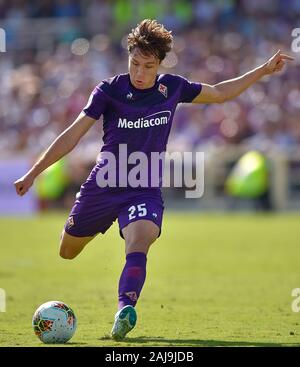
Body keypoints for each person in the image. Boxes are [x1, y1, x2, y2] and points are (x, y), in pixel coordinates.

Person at [14, 19, 293, 341]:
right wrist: (33, 173)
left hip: (143, 188)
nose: (140, 72)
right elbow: (72, 135)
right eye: (134, 63)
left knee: (140, 239)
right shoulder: (108, 90)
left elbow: (219, 94)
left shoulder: (172, 87)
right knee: (67, 251)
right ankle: (101, 233)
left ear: (160, 64)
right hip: (103, 185)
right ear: (128, 59)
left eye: (148, 66)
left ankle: (125, 309)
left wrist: (263, 70)